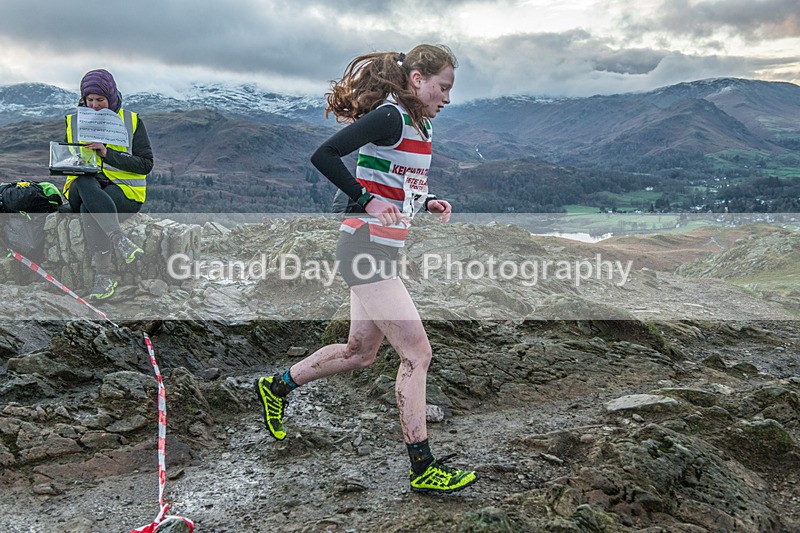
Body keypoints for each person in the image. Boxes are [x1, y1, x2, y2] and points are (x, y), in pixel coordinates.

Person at [256, 44, 478, 494]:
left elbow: (399, 178)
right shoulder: (392, 116)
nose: (447, 98)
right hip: (365, 249)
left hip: (382, 249)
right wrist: (366, 199)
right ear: (418, 79)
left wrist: (426, 200)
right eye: (443, 87)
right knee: (417, 354)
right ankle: (423, 468)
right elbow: (324, 155)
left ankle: (276, 388)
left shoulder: (422, 123)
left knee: (360, 352)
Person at [62, 69, 152, 300]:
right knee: (84, 182)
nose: (94, 105)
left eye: (100, 100)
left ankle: (105, 276)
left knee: (88, 211)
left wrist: (106, 153)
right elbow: (69, 157)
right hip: (80, 189)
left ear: (111, 98)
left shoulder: (131, 121)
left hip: (122, 191)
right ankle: (118, 239)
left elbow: (145, 164)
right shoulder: (74, 121)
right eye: (89, 100)